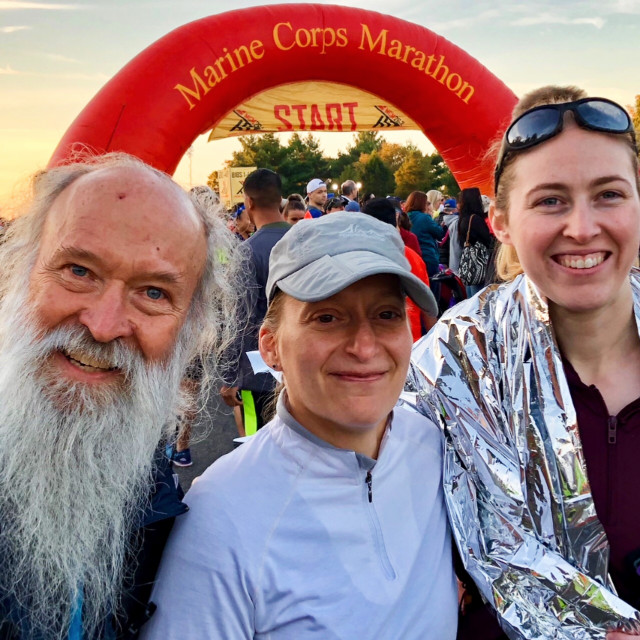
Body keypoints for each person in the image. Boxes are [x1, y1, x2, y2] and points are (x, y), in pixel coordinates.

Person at [141, 212, 457, 640]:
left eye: (386, 314)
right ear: (270, 347)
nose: (365, 347)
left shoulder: (438, 450)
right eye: (327, 317)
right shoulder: (220, 519)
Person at [411, 86, 640, 639]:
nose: (583, 228)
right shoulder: (451, 365)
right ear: (501, 222)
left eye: (609, 194)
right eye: (550, 200)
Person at [0, 153, 243, 639]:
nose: (104, 324)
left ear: (192, 329)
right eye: (78, 270)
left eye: (153, 293)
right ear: (16, 275)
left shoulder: (145, 475)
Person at [220, 168, 290, 437]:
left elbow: (238, 318)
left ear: (248, 203)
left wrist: (229, 377)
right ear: (280, 200)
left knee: (257, 444)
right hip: (302, 367)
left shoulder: (247, 252)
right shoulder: (305, 241)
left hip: (258, 373)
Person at [362, 198, 437, 340]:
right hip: (410, 343)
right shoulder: (412, 257)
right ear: (395, 221)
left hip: (369, 344)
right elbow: (428, 311)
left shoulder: (359, 258)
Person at [457, 187, 494, 296]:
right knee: (480, 297)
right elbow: (487, 241)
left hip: (469, 265)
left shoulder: (463, 219)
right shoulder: (475, 219)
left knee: (472, 296)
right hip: (479, 264)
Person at [406, 190, 446, 278]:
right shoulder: (425, 218)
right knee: (433, 287)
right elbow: (440, 233)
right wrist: (442, 226)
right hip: (428, 257)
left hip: (411, 257)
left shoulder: (405, 216)